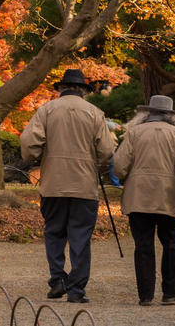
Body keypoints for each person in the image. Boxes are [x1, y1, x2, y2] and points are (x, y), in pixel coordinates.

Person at [21, 68, 116, 304]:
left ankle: (57, 280)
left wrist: (38, 156)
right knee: (80, 237)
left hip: (53, 183)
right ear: (83, 90)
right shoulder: (94, 113)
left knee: (54, 232)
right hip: (84, 186)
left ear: (61, 88)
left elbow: (28, 142)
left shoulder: (46, 111)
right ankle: (76, 289)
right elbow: (106, 152)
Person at [112, 95, 175, 307]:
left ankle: (145, 295)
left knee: (143, 245)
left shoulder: (134, 133)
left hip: (138, 198)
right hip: (169, 198)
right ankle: (170, 292)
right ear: (171, 116)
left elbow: (119, 168)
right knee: (170, 242)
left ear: (148, 113)